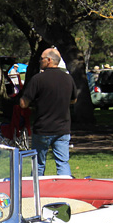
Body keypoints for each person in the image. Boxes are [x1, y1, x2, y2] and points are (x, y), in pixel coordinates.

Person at [19, 48, 77, 176]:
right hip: (63, 128)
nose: (40, 61)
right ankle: (65, 190)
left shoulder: (38, 79)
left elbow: (24, 103)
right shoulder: (68, 79)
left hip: (43, 128)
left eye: (41, 59)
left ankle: (36, 192)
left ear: (49, 60)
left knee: (39, 163)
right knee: (62, 163)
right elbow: (73, 100)